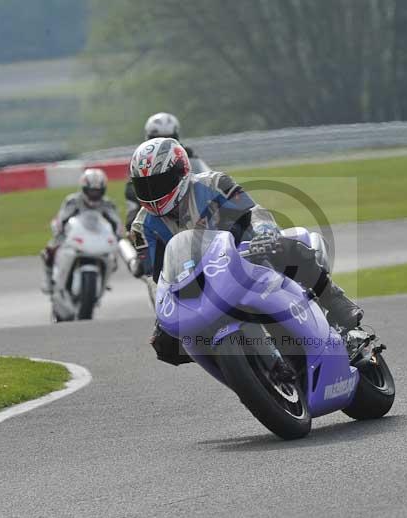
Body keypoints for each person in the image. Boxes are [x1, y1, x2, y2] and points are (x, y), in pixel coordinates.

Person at [129, 137, 363, 367]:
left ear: (181, 171)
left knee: (287, 249)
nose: (152, 193)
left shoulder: (214, 184)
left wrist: (265, 233)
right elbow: (156, 277)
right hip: (199, 281)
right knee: (166, 347)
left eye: (159, 183)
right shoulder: (142, 227)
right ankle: (233, 359)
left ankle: (337, 303)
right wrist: (163, 316)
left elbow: (254, 212)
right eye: (145, 186)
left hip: (248, 254)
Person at [124, 112, 207, 278]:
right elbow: (156, 276)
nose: (163, 140)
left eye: (168, 137)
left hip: (193, 207)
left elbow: (251, 215)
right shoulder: (141, 160)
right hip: (174, 278)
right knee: (134, 228)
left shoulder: (188, 157)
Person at [41, 168, 123, 293]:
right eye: (91, 191)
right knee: (49, 251)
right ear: (84, 189)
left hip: (98, 238)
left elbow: (117, 224)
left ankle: (103, 280)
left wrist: (117, 237)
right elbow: (60, 219)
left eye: (97, 191)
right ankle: (49, 281)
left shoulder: (108, 204)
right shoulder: (73, 201)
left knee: (113, 258)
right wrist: (59, 232)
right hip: (75, 237)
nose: (94, 195)